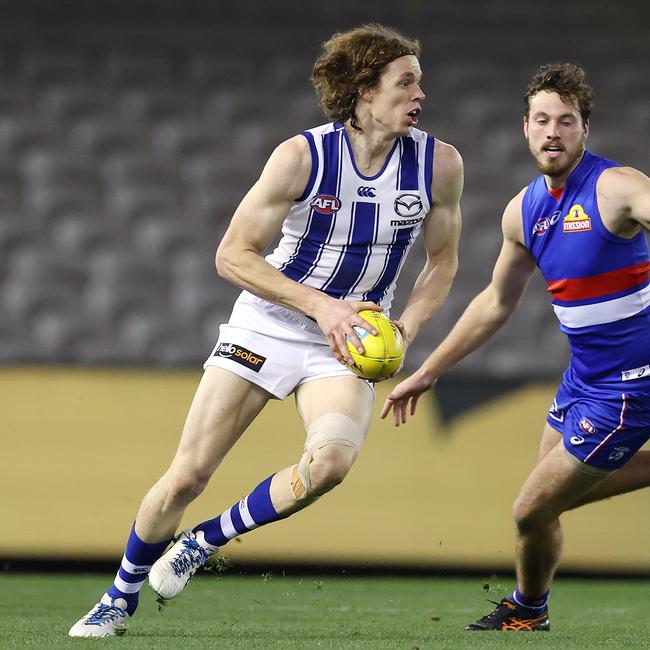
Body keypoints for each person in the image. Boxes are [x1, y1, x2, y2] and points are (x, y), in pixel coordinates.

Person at [69, 24, 463, 637]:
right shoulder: (302, 156)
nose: (421, 94)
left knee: (330, 464)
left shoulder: (439, 164)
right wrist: (323, 308)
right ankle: (119, 597)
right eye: (405, 82)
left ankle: (206, 539)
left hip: (350, 340)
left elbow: (443, 261)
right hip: (271, 325)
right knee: (189, 474)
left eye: (419, 81)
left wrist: (406, 328)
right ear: (363, 89)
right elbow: (232, 255)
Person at [381, 62, 650, 632]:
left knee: (530, 506)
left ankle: (526, 612)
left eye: (567, 121)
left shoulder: (618, 187)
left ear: (584, 130)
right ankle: (530, 609)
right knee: (539, 509)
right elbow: (494, 303)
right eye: (542, 120)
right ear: (525, 128)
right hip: (583, 379)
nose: (553, 131)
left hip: (631, 387)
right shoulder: (523, 211)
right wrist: (428, 371)